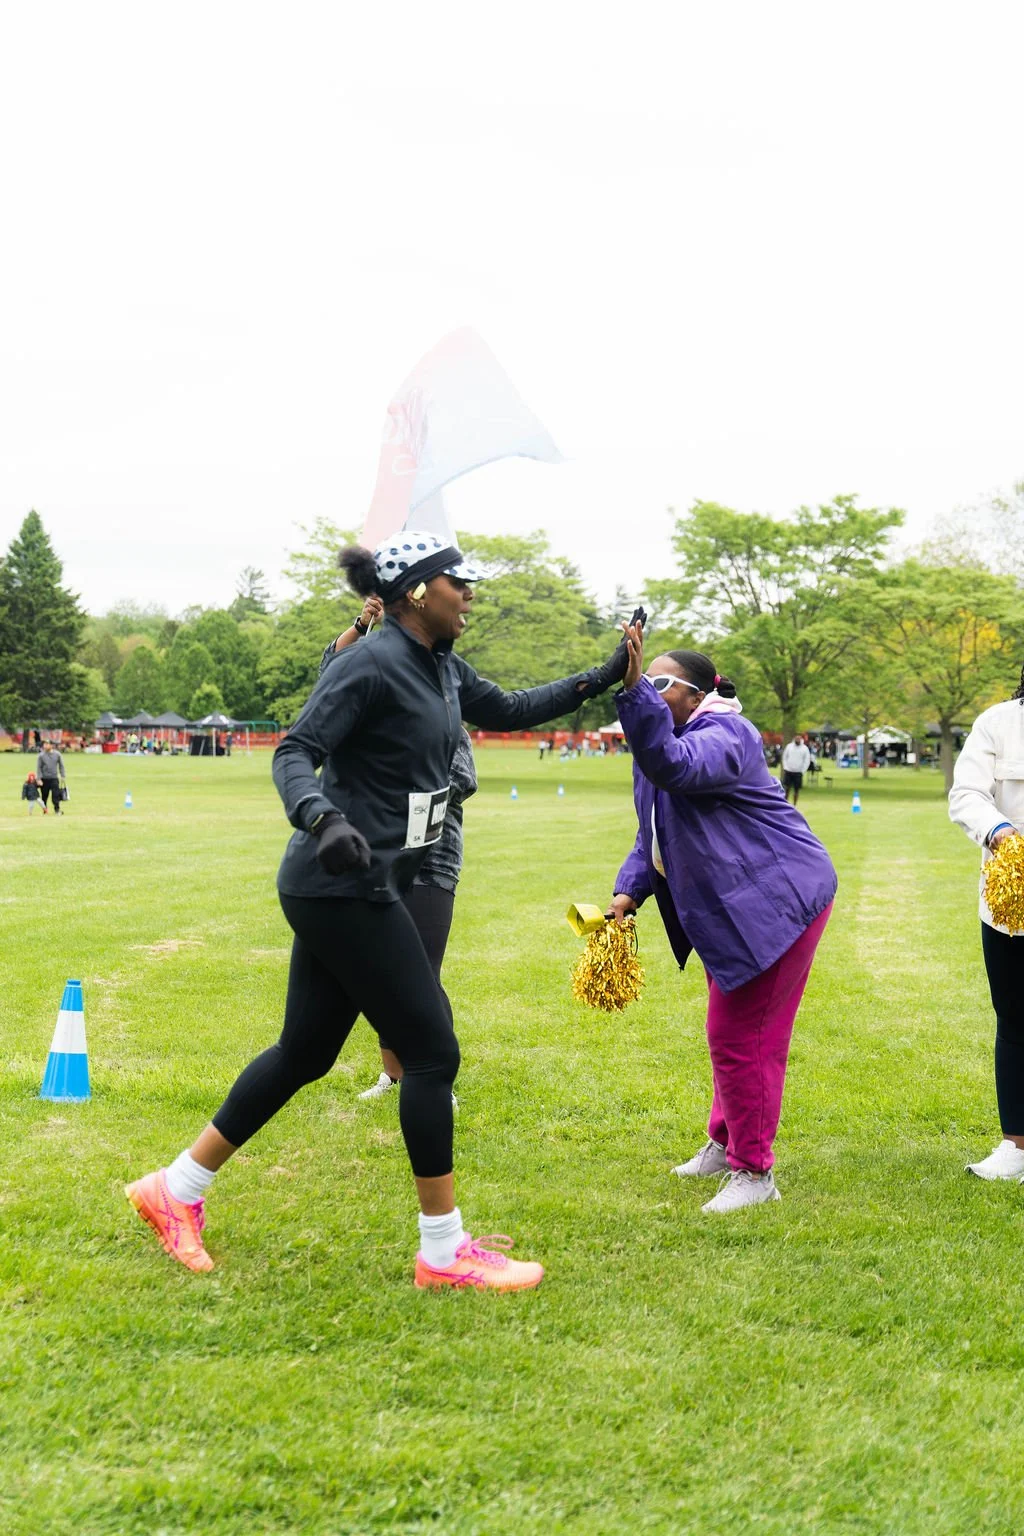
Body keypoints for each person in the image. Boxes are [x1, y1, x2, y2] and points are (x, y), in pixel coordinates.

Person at [126, 529, 634, 1290]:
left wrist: (604, 675)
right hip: (340, 880)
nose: (470, 593)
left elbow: (515, 707)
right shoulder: (369, 663)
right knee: (431, 1053)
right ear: (419, 592)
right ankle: (443, 1253)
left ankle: (175, 1189)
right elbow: (295, 751)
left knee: (305, 1053)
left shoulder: (441, 666)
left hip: (371, 880)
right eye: (458, 582)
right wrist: (322, 818)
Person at [607, 622, 836, 1212]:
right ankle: (724, 1140)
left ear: (695, 693)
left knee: (741, 1034)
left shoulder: (725, 732)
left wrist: (634, 694)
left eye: (659, 682)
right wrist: (627, 893)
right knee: (734, 1031)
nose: (649, 690)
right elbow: (650, 831)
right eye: (646, 680)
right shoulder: (667, 739)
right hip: (732, 905)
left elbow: (675, 767)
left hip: (778, 902)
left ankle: (755, 1172)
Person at [317, 590, 473, 1102]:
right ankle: (395, 1073)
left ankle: (435, 1080)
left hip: (431, 851)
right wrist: (363, 624)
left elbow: (462, 779)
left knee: (420, 972)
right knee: (378, 972)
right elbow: (332, 669)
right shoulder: (368, 694)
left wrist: (407, 784)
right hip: (380, 851)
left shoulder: (439, 697)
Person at [948, 673, 1024, 1179]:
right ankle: (1016, 1146)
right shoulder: (999, 722)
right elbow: (967, 794)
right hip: (1012, 900)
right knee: (1017, 1016)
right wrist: (1002, 835)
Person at [36, 741, 66, 815]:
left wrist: (63, 775)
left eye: (47, 744)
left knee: (55, 795)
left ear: (51, 745)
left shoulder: (57, 754)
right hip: (44, 779)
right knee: (44, 796)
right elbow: (38, 767)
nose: (45, 746)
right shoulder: (41, 755)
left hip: (54, 778)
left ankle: (57, 810)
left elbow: (61, 765)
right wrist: (39, 778)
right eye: (44, 744)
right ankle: (45, 810)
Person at [781, 733, 811, 804]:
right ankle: (785, 803)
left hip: (798, 772)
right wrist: (785, 767)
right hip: (789, 771)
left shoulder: (804, 748)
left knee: (796, 790)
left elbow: (807, 760)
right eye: (796, 738)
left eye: (799, 739)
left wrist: (802, 771)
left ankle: (795, 804)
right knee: (787, 788)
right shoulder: (789, 746)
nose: (797, 740)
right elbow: (784, 757)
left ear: (801, 739)